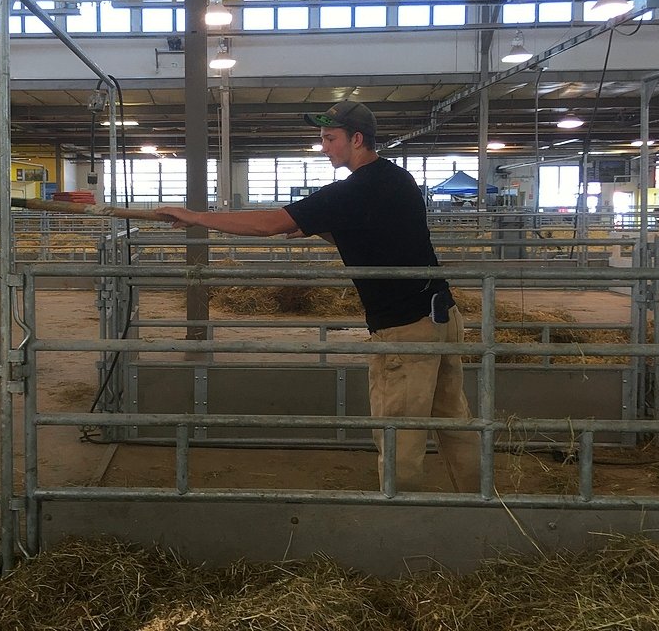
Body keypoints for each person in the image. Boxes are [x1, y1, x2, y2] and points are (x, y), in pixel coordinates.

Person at [156, 100, 480, 492]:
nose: (324, 147)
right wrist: (318, 227)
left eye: (330, 138)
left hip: (404, 330)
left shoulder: (352, 189)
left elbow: (269, 224)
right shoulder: (397, 179)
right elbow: (376, 235)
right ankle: (479, 500)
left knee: (398, 433)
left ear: (356, 139)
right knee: (453, 420)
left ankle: (401, 517)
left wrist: (194, 216)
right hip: (441, 315)